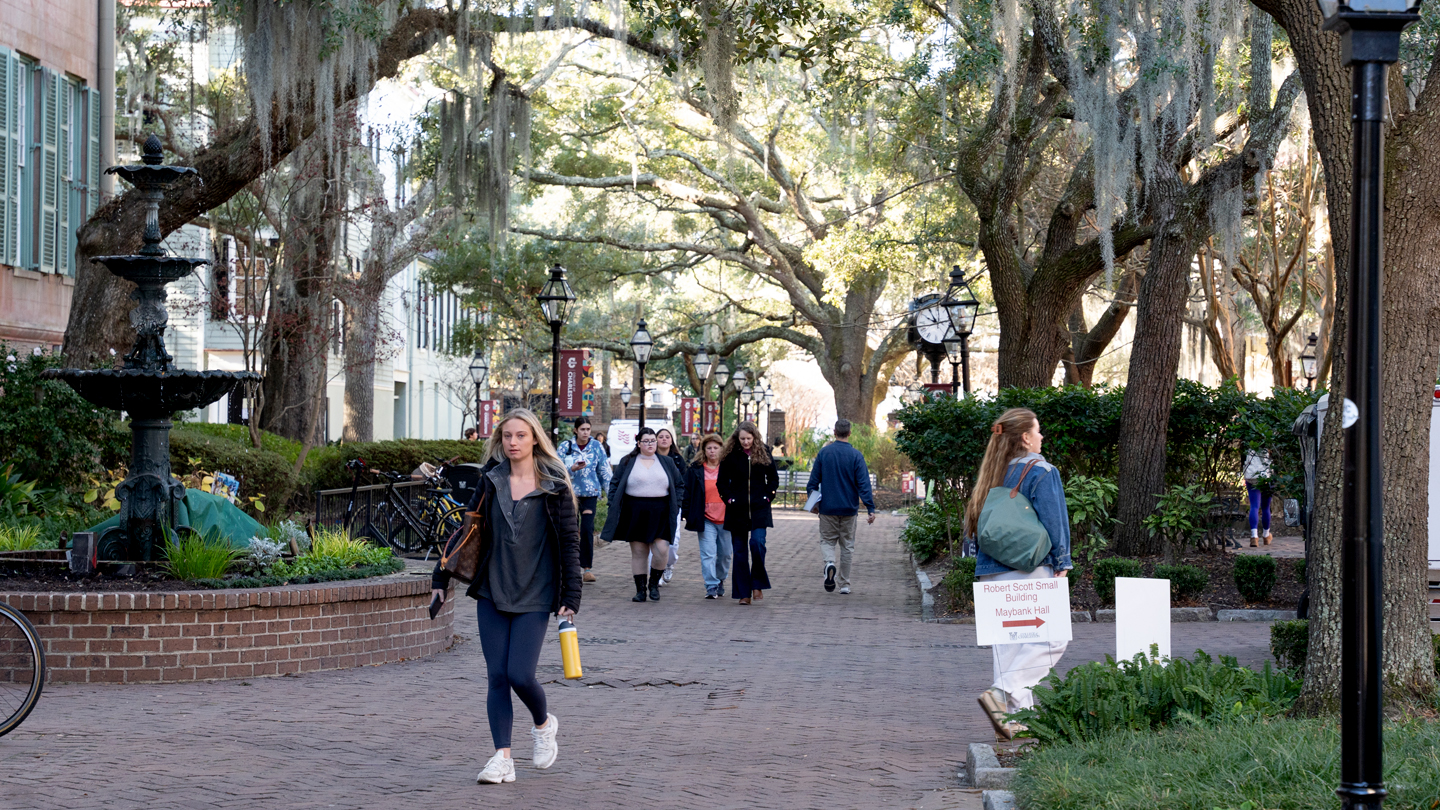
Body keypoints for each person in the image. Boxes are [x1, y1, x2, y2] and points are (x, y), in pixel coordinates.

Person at [430, 408, 582, 784]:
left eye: (520, 436)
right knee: (497, 676)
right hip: (492, 590)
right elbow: (466, 533)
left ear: (534, 440)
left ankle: (544, 724)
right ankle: (502, 758)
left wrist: (571, 596)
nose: (512, 443)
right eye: (507, 436)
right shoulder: (490, 480)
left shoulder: (554, 485)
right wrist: (440, 575)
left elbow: (569, 543)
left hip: (536, 592)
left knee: (519, 674)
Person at [965, 407, 1071, 740]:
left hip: (991, 573)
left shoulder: (993, 472)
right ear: (1025, 437)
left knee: (1009, 649)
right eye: (1038, 431)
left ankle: (1014, 724)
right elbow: (1054, 521)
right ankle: (1002, 692)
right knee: (1053, 640)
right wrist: (1062, 561)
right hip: (1031, 569)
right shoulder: (1042, 470)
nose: (1041, 437)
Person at [600, 427, 686, 602]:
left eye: (652, 441)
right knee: (639, 552)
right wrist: (612, 503)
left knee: (662, 549)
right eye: (646, 441)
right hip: (635, 510)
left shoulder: (666, 462)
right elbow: (614, 484)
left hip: (661, 510)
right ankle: (640, 590)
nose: (650, 444)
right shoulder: (628, 461)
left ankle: (654, 584)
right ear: (638, 443)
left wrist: (676, 505)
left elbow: (679, 484)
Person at [806, 419, 876, 595]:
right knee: (847, 545)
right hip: (849, 508)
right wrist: (870, 508)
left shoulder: (824, 453)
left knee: (827, 540)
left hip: (828, 508)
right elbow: (863, 485)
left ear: (834, 432)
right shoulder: (856, 456)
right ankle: (844, 584)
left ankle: (829, 563)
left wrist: (814, 504)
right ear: (850, 433)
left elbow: (812, 483)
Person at [717, 422, 779, 605]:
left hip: (759, 508)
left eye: (749, 439)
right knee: (740, 552)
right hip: (737, 509)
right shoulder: (730, 455)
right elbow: (721, 483)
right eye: (742, 439)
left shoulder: (764, 452)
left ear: (755, 437)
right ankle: (743, 593)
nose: (745, 442)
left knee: (757, 543)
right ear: (737, 438)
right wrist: (729, 499)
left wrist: (768, 497)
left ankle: (757, 583)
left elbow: (773, 479)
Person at [558, 416, 612, 583]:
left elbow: (604, 471)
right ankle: (569, 566)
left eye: (588, 429)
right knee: (570, 530)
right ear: (575, 430)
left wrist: (612, 495)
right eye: (582, 429)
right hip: (570, 495)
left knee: (587, 529)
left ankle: (587, 568)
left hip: (590, 493)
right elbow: (555, 471)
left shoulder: (597, 447)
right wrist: (571, 468)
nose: (586, 433)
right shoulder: (565, 447)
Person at [682, 433, 732, 599]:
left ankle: (720, 579)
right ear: (703, 450)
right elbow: (687, 491)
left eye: (715, 448)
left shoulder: (728, 467)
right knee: (708, 553)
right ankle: (711, 585)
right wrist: (686, 511)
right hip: (706, 518)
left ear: (721, 449)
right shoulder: (696, 469)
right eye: (709, 448)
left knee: (725, 554)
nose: (712, 451)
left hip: (727, 518)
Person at [655, 428, 687, 584]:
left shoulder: (678, 459)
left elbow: (682, 483)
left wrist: (680, 503)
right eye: (660, 437)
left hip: (673, 505)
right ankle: (657, 573)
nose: (664, 439)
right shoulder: (650, 458)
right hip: (654, 505)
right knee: (655, 541)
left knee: (673, 543)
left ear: (671, 440)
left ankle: (669, 564)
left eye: (667, 437)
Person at [1242, 450, 1273, 547]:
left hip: (1251, 477)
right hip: (1266, 478)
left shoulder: (1248, 443)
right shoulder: (1269, 443)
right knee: (1265, 507)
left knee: (1254, 506)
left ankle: (1254, 537)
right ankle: (1266, 535)